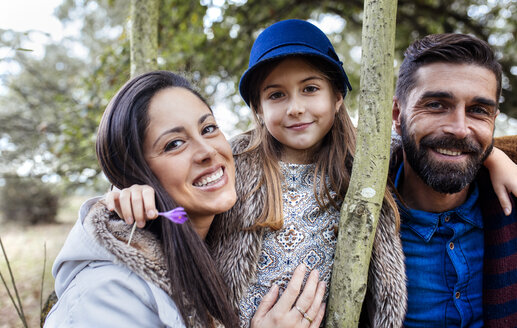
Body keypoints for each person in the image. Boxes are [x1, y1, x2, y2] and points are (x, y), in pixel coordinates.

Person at [109, 22, 517, 328]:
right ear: (257, 109)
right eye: (276, 95)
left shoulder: (361, 164)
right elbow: (176, 191)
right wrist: (123, 194)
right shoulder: (231, 163)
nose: (296, 108)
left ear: (338, 97)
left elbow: (434, 148)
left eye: (310, 89)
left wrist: (493, 156)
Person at [44, 71, 325, 328]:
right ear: (136, 173)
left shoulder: (214, 249)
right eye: (174, 144)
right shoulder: (109, 292)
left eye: (208, 129)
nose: (207, 151)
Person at [390, 33, 517, 327]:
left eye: (478, 111)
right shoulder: (348, 214)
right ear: (398, 114)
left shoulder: (510, 201)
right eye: (436, 105)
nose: (460, 129)